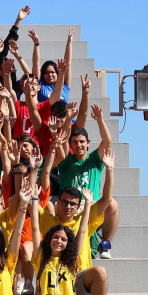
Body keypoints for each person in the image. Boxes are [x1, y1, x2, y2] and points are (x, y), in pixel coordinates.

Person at [41, 149, 117, 295]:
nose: (67, 206)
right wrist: (41, 169)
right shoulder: (48, 221)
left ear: (78, 206)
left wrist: (110, 170)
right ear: (58, 202)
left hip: (78, 278)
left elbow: (106, 199)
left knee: (100, 271)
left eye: (72, 204)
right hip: (55, 279)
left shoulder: (84, 220)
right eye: (64, 202)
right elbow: (37, 198)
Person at [53, 103, 120, 260]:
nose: (79, 145)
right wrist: (69, 119)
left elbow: (107, 141)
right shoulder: (65, 162)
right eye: (75, 142)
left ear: (88, 143)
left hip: (93, 205)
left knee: (113, 203)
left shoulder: (95, 159)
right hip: (70, 206)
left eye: (82, 142)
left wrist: (100, 120)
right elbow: (62, 140)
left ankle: (106, 243)